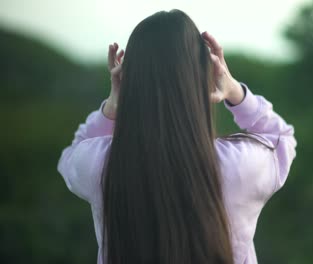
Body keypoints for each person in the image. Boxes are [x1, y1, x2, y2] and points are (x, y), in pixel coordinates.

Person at [57, 9, 296, 264]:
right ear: (205, 75)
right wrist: (235, 91)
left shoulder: (100, 163)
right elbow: (281, 138)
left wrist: (113, 106)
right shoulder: (241, 163)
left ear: (128, 79)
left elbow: (72, 154)